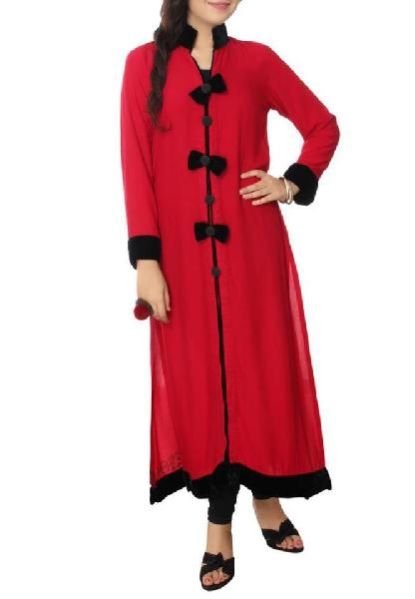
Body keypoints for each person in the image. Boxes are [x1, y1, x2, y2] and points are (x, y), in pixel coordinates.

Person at [120, 0, 340, 590]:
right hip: (180, 262)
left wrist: (290, 184)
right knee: (202, 382)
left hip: (253, 250)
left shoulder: (257, 61)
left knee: (260, 374)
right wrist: (146, 260)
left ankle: (266, 495)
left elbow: (323, 126)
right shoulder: (142, 65)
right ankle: (221, 520)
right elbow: (136, 166)